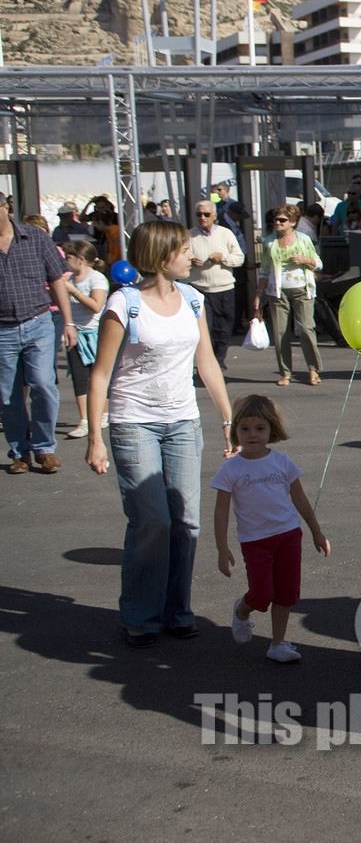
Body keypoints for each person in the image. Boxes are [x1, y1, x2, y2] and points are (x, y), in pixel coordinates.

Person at [84, 220, 235, 648]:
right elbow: (100, 375)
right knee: (152, 521)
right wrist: (96, 436)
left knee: (186, 523)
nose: (194, 256)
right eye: (185, 250)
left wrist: (227, 418)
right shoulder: (124, 304)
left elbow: (206, 363)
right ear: (161, 255)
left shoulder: (193, 299)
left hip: (183, 423)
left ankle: (176, 610)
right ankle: (140, 616)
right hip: (134, 423)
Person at [213, 394, 331, 663]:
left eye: (260, 428)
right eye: (244, 429)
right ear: (235, 431)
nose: (252, 435)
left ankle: (278, 644)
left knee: (286, 593)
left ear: (271, 429)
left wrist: (316, 530)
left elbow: (299, 498)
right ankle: (242, 611)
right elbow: (220, 511)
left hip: (289, 535)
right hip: (255, 541)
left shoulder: (283, 462)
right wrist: (222, 547)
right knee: (261, 594)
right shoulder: (230, 469)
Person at [0, 205, 77, 474]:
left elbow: (57, 279)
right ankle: (20, 452)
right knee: (8, 396)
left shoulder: (35, 236)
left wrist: (68, 322)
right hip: (2, 331)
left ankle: (45, 448)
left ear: (6, 208)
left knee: (43, 384)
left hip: (39, 323)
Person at [254, 205, 324, 387]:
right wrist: (258, 295)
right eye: (276, 220)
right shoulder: (269, 242)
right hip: (277, 291)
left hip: (303, 289)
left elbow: (318, 263)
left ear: (293, 222)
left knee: (306, 329)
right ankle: (285, 372)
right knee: (280, 332)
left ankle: (313, 369)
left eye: (282, 220)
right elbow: (264, 271)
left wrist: (305, 260)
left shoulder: (303, 240)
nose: (277, 223)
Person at [58, 240, 109, 440]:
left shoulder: (96, 278)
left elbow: (96, 306)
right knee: (80, 379)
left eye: (68, 258)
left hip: (96, 335)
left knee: (98, 376)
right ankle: (85, 420)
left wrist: (73, 291)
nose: (65, 261)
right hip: (75, 334)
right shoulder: (68, 278)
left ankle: (103, 414)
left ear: (81, 259)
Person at [187, 200, 245, 371]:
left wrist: (223, 258)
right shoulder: (190, 236)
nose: (202, 218)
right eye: (199, 215)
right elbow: (179, 259)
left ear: (214, 216)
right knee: (204, 328)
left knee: (224, 327)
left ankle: (219, 359)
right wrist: (190, 262)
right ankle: (207, 361)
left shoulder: (225, 234)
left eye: (206, 214)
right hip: (199, 289)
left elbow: (239, 258)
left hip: (223, 287)